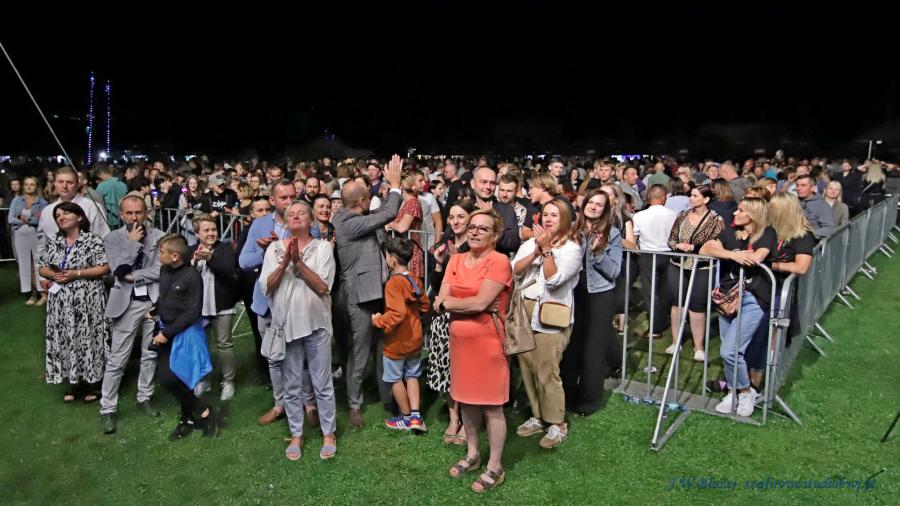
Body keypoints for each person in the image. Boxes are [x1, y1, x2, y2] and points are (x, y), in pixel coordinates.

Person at [434, 208, 512, 493]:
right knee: (466, 401)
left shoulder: (499, 261)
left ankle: (495, 465)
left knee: (492, 407)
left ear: (495, 235)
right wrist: (458, 303)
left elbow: (480, 303)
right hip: (461, 343)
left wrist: (453, 303)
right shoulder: (455, 259)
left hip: (489, 343)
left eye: (483, 228)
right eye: (472, 226)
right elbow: (440, 300)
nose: (475, 231)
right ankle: (473, 453)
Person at [259, 201, 338, 461]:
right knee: (291, 385)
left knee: (322, 383)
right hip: (286, 327)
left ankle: (328, 432)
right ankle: (296, 434)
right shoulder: (273, 249)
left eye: (301, 213)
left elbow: (323, 286)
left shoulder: (323, 248)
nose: (295, 216)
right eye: (290, 214)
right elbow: (266, 287)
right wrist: (283, 265)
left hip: (316, 325)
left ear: (311, 220)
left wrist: (298, 264)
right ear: (284, 221)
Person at [332, 155, 403, 428]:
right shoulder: (347, 222)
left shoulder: (355, 216)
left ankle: (388, 396)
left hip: (378, 292)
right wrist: (395, 186)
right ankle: (354, 403)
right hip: (360, 297)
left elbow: (379, 221)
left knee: (384, 348)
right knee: (359, 352)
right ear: (362, 201)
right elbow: (388, 214)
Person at [511, 197, 582, 447]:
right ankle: (538, 416)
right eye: (546, 214)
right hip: (524, 311)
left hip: (550, 315)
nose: (548, 219)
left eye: (555, 215)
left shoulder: (572, 249)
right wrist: (535, 252)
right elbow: (514, 270)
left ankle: (557, 423)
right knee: (527, 367)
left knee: (547, 368)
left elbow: (554, 281)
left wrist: (548, 251)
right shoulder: (530, 243)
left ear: (565, 219)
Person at [700, 197, 776, 417]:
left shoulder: (767, 233)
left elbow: (756, 258)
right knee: (730, 352)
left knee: (729, 350)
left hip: (753, 298)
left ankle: (745, 391)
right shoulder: (730, 232)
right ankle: (734, 392)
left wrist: (726, 252)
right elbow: (705, 249)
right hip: (726, 297)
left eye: (740, 210)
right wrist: (733, 254)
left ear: (753, 214)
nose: (734, 213)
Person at [99, 195, 164, 434]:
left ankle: (144, 397)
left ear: (146, 213)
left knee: (150, 353)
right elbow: (118, 269)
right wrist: (133, 243)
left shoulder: (159, 236)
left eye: (139, 212)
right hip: (126, 304)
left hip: (154, 301)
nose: (134, 218)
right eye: (129, 213)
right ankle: (107, 408)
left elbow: (162, 270)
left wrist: (134, 276)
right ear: (121, 214)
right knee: (118, 358)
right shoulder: (112, 238)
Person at [37, 202, 111, 403]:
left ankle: (93, 382)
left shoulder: (93, 240)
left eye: (66, 213)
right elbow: (41, 267)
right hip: (61, 300)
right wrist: (53, 274)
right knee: (67, 336)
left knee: (89, 336)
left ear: (79, 217)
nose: (61, 217)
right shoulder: (54, 242)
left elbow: (104, 267)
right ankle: (73, 381)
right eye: (57, 215)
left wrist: (76, 274)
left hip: (88, 298)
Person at [745, 193, 815, 390]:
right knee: (750, 334)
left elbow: (801, 267)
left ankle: (755, 382)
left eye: (772, 208)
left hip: (778, 292)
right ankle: (741, 378)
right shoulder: (768, 231)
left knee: (764, 336)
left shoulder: (802, 236)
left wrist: (770, 265)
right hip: (759, 287)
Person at [151, 234, 217, 439]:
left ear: (174, 256)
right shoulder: (164, 270)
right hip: (165, 330)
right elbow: (166, 296)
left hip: (184, 333)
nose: (159, 255)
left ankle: (192, 416)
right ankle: (200, 412)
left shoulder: (192, 276)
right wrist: (156, 308)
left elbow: (193, 311)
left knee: (176, 378)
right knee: (168, 379)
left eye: (162, 252)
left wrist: (167, 333)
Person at [427, 198, 475, 444]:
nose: (456, 221)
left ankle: (468, 421)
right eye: (452, 217)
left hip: (464, 315)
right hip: (443, 316)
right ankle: (453, 419)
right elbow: (436, 287)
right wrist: (438, 263)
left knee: (465, 370)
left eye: (461, 217)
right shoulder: (445, 245)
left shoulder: (474, 247)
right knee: (447, 371)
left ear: (470, 220)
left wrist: (457, 264)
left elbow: (469, 287)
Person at [372, 237, 431, 431]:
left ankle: (405, 417)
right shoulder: (414, 278)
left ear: (392, 260)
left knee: (394, 378)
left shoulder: (393, 284)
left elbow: (397, 313)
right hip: (414, 339)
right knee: (412, 375)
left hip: (396, 342)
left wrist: (378, 320)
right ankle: (416, 417)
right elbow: (425, 304)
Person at [664, 185, 725, 361]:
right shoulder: (682, 215)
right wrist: (677, 246)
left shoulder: (716, 220)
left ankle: (698, 347)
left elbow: (715, 244)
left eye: (695, 195)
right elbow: (671, 239)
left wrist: (693, 247)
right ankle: (676, 342)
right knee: (677, 304)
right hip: (678, 264)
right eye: (690, 195)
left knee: (697, 307)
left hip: (702, 268)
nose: (690, 198)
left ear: (706, 199)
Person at [189, 214, 240, 401]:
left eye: (214, 229)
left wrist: (211, 258)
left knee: (224, 344)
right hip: (197, 307)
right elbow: (184, 277)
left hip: (222, 304)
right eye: (206, 230)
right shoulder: (191, 250)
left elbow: (230, 272)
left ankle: (228, 381)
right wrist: (193, 262)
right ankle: (203, 379)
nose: (211, 233)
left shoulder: (225, 249)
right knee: (201, 345)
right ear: (197, 233)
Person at [632, 185, 678, 338]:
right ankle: (660, 322)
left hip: (648, 255)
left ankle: (656, 326)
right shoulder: (673, 215)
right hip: (668, 254)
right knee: (664, 290)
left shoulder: (639, 216)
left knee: (650, 291)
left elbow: (634, 238)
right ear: (663, 198)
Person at [8, 176, 48, 305]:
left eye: (32, 184)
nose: (29, 187)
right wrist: (29, 220)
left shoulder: (42, 203)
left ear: (37, 186)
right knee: (24, 265)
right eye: (26, 184)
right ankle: (33, 294)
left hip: (36, 236)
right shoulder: (16, 200)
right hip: (20, 236)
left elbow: (40, 220)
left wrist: (24, 218)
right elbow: (11, 219)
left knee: (37, 264)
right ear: (23, 186)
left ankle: (44, 293)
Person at [469, 166, 521, 255]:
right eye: (484, 182)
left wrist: (493, 217)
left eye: (492, 183)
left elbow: (513, 243)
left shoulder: (506, 210)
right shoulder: (465, 208)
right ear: (473, 183)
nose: (488, 187)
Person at [384, 171, 424, 280]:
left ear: (401, 187)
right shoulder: (406, 202)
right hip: (404, 251)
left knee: (410, 286)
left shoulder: (413, 202)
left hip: (410, 252)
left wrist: (388, 223)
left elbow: (402, 227)